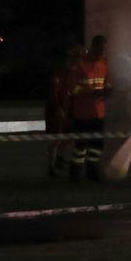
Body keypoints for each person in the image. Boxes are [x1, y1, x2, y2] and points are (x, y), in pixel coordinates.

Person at [70, 35, 112, 182]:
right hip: (82, 113)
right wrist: (92, 92)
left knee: (96, 144)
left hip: (98, 112)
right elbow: (72, 88)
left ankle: (92, 172)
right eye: (100, 48)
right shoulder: (80, 64)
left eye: (104, 49)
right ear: (94, 47)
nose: (102, 51)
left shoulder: (103, 65)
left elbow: (106, 83)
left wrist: (108, 90)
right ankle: (76, 173)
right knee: (81, 145)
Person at [46, 45, 82, 177]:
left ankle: (59, 159)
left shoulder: (73, 74)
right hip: (58, 111)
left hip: (67, 110)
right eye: (78, 59)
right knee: (57, 139)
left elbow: (73, 93)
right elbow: (53, 92)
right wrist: (58, 108)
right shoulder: (60, 73)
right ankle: (51, 167)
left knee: (70, 136)